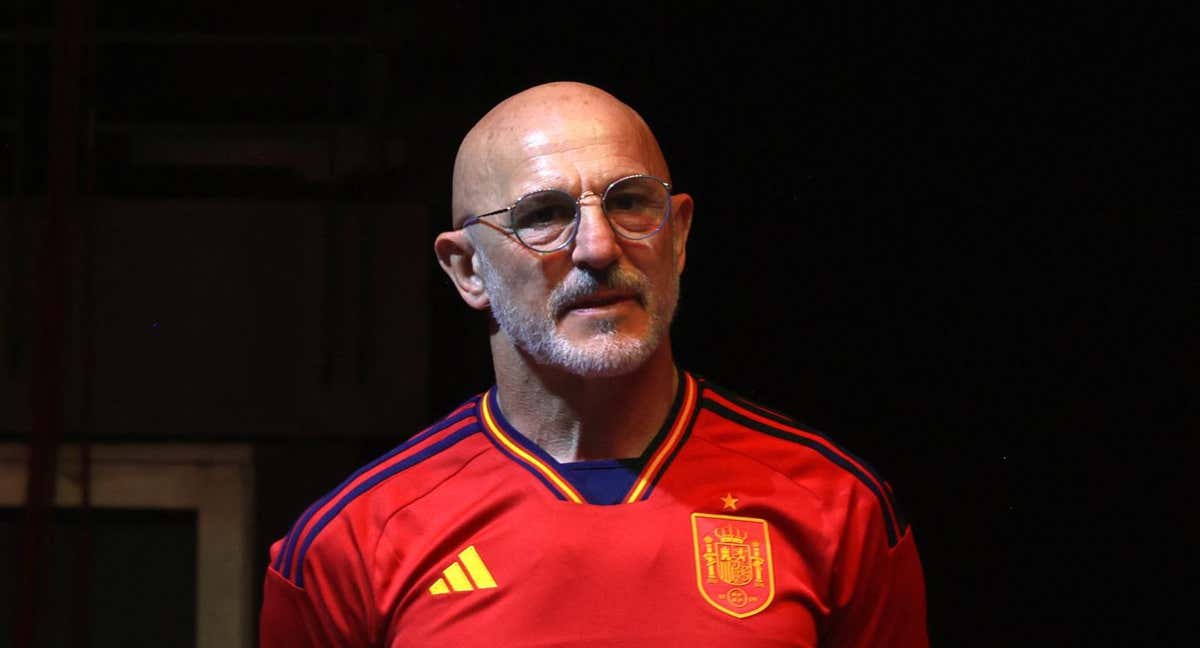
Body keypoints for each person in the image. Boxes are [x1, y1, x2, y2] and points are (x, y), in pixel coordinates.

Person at [259, 82, 929, 647]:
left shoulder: (838, 511)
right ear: (468, 269)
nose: (598, 247)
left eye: (630, 202)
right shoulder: (350, 545)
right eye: (543, 215)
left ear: (679, 235)